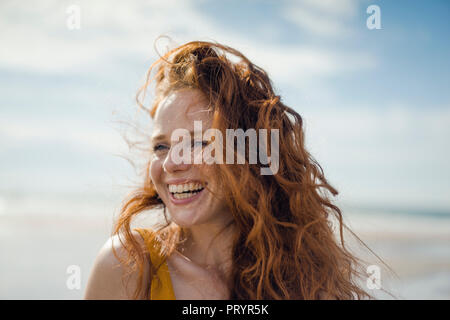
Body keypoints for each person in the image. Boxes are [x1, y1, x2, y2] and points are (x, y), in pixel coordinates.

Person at [85, 40, 376, 300]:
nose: (172, 163)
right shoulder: (127, 266)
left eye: (198, 142)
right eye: (160, 147)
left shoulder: (303, 284)